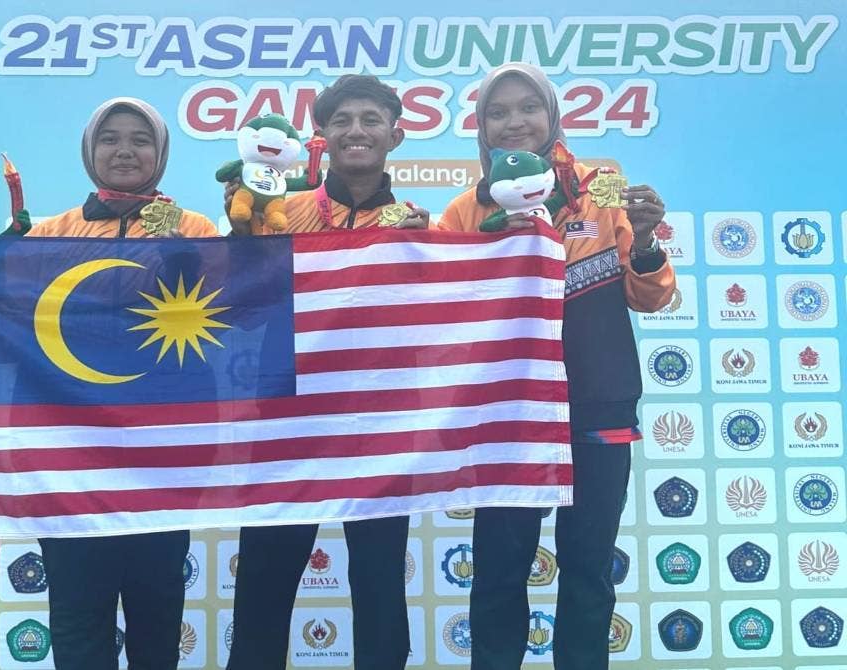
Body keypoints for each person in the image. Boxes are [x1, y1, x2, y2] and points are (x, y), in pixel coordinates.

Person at [0, 97, 217, 670]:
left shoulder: (195, 228)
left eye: (141, 139)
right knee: (78, 621)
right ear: (89, 152)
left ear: (161, 153)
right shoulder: (48, 234)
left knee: (157, 618)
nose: (125, 149)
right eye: (110, 138)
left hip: (160, 462)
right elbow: (9, 321)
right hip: (70, 462)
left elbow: (226, 321)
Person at [437, 62, 676, 670]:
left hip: (599, 402)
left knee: (589, 565)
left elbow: (649, 294)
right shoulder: (466, 210)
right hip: (508, 415)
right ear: (480, 127)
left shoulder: (602, 189)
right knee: (497, 569)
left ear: (552, 116)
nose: (514, 122)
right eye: (497, 112)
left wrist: (645, 244)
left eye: (527, 108)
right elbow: (442, 310)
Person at [224, 74, 429, 670]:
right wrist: (237, 238)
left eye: (370, 119)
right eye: (341, 121)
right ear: (323, 136)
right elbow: (232, 298)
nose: (356, 131)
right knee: (263, 582)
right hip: (285, 420)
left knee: (379, 587)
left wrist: (427, 258)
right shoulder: (278, 211)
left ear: (397, 132)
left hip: (380, 426)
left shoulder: (421, 227)